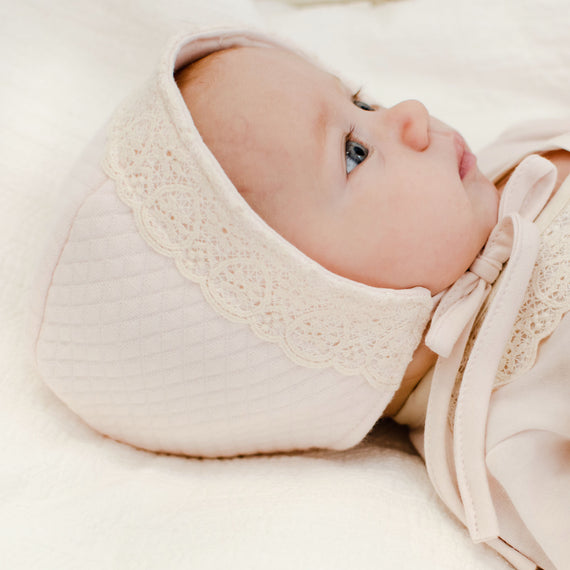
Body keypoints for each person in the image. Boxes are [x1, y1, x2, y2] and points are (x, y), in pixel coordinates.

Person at [34, 28, 569, 570]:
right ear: (336, 314)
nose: (408, 113)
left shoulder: (513, 168)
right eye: (355, 153)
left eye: (361, 101)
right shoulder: (507, 436)